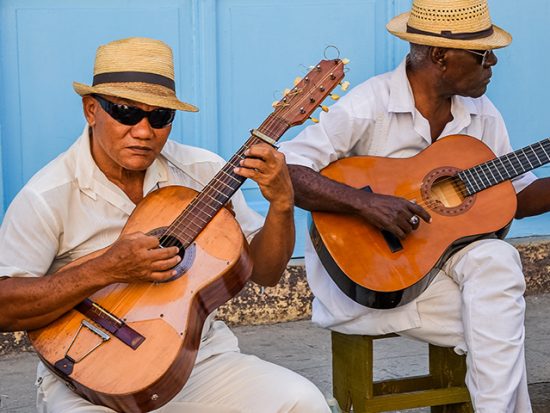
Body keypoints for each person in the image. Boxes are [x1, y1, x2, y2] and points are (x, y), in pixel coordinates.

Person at [0, 37, 330, 412]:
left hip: (196, 360)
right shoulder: (48, 194)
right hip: (84, 373)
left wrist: (283, 204)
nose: (143, 131)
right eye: (125, 112)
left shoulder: (204, 172)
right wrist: (106, 266)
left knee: (302, 402)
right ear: (91, 110)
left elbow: (267, 274)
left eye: (159, 117)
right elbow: (4, 306)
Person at [279, 0, 550, 412]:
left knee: (498, 258)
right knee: (499, 324)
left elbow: (519, 195)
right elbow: (289, 169)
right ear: (440, 56)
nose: (493, 62)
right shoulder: (369, 104)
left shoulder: (482, 113)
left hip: (442, 269)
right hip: (370, 279)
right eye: (483, 54)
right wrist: (364, 204)